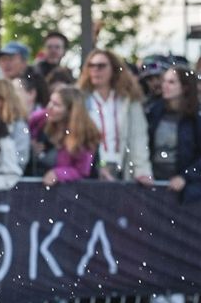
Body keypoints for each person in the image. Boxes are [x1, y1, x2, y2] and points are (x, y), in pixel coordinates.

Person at [79, 48, 152, 184]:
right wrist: (97, 166)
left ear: (113, 69)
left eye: (101, 66)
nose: (95, 70)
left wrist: (142, 171)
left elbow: (138, 137)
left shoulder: (128, 100)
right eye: (91, 65)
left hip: (122, 166)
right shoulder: (80, 99)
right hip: (89, 169)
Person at [146, 65, 201, 200]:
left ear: (185, 87)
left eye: (171, 82)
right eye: (164, 81)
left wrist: (185, 177)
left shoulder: (196, 117)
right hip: (153, 183)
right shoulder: (154, 111)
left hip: (186, 190)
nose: (164, 85)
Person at [34, 85, 100, 184]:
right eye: (50, 101)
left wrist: (58, 174)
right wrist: (31, 147)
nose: (49, 107)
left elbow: (82, 171)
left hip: (73, 190)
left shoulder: (84, 136)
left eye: (56, 105)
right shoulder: (43, 122)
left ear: (70, 111)